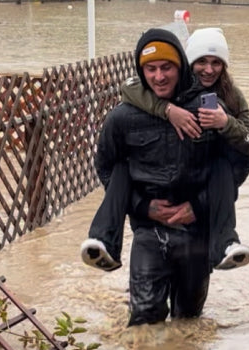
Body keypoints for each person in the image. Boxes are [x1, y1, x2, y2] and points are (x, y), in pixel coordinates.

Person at [81, 27, 249, 272]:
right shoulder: (173, 86)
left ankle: (226, 244)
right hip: (159, 190)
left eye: (216, 62)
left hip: (206, 191)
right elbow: (130, 88)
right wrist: (168, 110)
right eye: (201, 62)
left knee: (221, 167)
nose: (209, 70)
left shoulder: (232, 97)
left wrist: (226, 123)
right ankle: (105, 244)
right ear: (187, 64)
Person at [83, 27, 221, 325]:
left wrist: (197, 206)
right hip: (148, 231)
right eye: (151, 69)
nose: (159, 77)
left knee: (190, 319)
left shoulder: (208, 105)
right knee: (144, 318)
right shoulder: (122, 116)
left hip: (197, 231)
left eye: (167, 67)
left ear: (180, 67)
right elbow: (106, 168)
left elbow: (232, 168)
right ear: (141, 71)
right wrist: (143, 207)